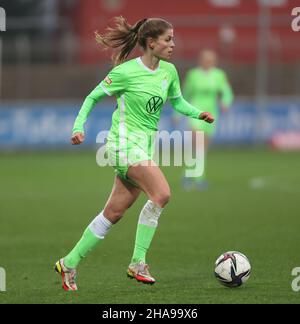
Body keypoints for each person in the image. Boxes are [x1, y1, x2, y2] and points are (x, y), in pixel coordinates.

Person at [54, 16, 214, 291]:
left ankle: (68, 263)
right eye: (168, 39)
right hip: (121, 145)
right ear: (151, 43)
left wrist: (197, 112)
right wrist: (78, 127)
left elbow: (177, 101)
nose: (173, 44)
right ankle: (137, 262)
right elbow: (92, 96)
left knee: (113, 213)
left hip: (144, 147)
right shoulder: (125, 72)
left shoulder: (169, 72)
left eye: (173, 38)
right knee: (162, 194)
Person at [180, 49, 234, 190]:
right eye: (206, 60)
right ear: (201, 60)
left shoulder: (219, 75)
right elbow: (184, 94)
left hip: (211, 113)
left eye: (211, 60)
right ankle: (199, 179)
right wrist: (177, 113)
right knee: (199, 143)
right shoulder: (193, 75)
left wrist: (225, 102)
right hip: (196, 112)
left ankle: (188, 173)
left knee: (201, 147)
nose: (208, 63)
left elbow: (227, 92)